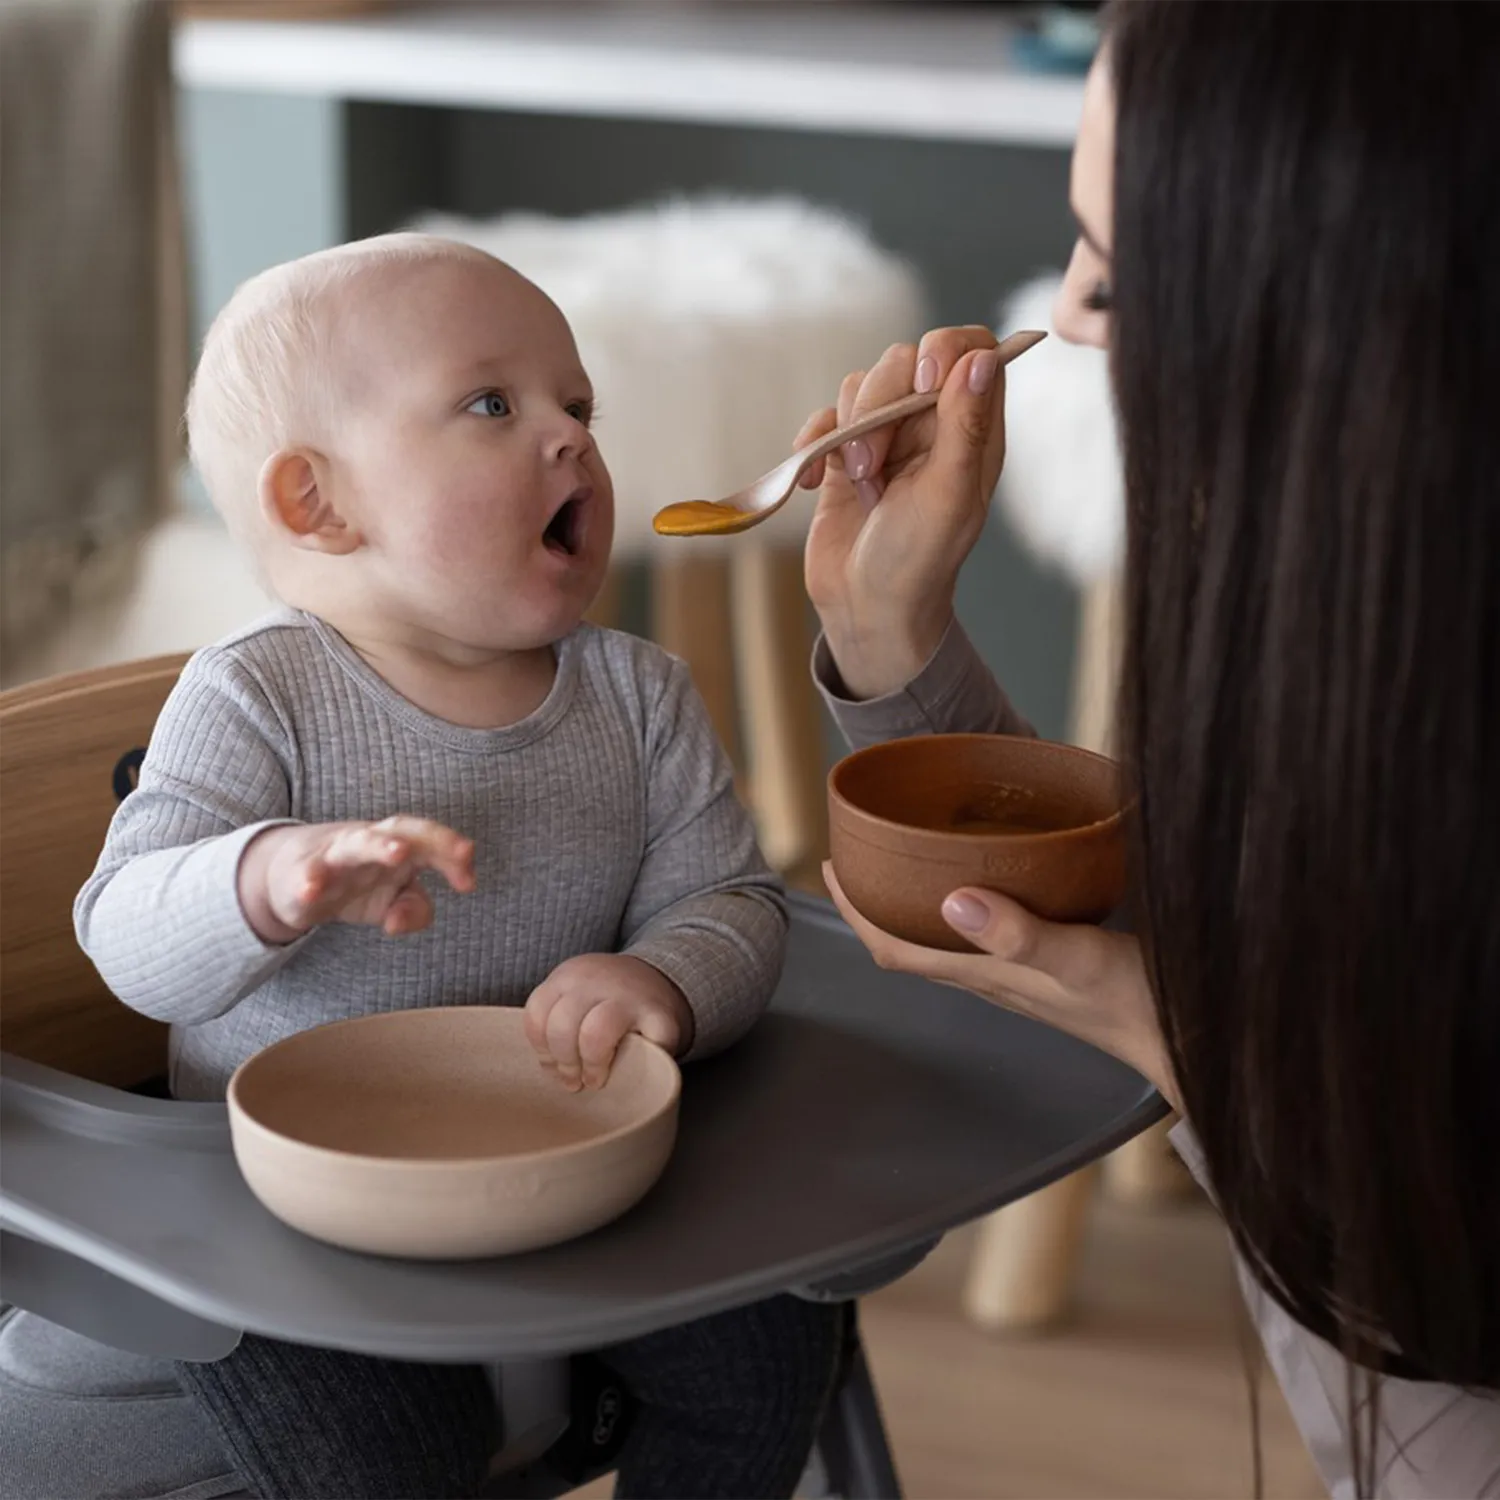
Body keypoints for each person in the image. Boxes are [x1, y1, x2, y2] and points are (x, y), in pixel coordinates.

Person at [799, 4, 1500, 1497]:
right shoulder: (1375, 673)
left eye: (1115, 274)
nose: (1068, 317)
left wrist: (1175, 1040)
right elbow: (1218, 963)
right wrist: (889, 630)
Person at [74, 232, 844, 1500]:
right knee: (387, 1462)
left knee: (771, 1352)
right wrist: (270, 876)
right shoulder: (258, 693)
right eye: (494, 403)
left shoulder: (639, 694)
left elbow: (734, 904)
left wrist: (664, 983)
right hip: (286, 1219)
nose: (572, 437)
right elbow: (127, 939)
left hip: (573, 1166)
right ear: (319, 503)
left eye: (578, 405)